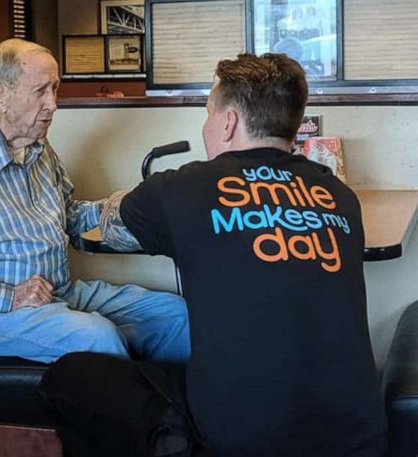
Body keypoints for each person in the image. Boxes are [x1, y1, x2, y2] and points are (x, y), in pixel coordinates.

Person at [41, 53, 388, 457]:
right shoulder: (339, 197)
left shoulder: (183, 189)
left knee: (69, 377)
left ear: (228, 122)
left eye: (209, 112)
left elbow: (106, 226)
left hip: (245, 442)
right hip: (359, 440)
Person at [0, 38, 189, 364]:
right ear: (0, 95)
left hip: (59, 294)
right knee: (97, 337)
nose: (53, 104)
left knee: (177, 315)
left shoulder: (38, 148)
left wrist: (116, 210)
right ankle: (138, 414)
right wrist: (8, 296)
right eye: (40, 91)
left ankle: (181, 411)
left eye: (55, 88)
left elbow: (68, 218)